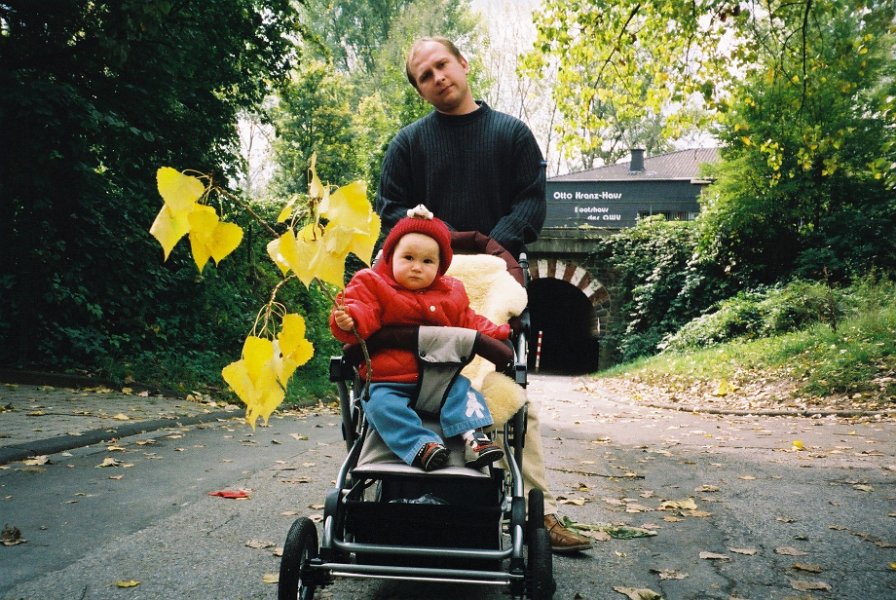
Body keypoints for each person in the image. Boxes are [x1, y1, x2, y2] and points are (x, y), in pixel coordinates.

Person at [373, 36, 592, 553]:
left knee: (516, 404)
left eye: (442, 65)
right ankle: (386, 502)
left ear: (463, 63)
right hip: (421, 287)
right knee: (386, 390)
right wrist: (439, 244)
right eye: (425, 76)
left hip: (493, 279)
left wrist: (492, 247)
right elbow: (391, 210)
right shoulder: (409, 145)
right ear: (420, 90)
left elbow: (530, 204)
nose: (438, 78)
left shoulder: (511, 135)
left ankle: (537, 513)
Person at [330, 206, 506, 472]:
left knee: (464, 393)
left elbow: (469, 321)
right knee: (381, 406)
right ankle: (421, 445)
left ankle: (475, 439)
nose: (416, 267)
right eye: (408, 258)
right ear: (390, 257)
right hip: (388, 379)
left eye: (427, 262)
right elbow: (362, 307)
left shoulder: (451, 293)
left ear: (440, 267)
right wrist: (350, 319)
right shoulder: (373, 285)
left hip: (440, 378)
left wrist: (499, 332)